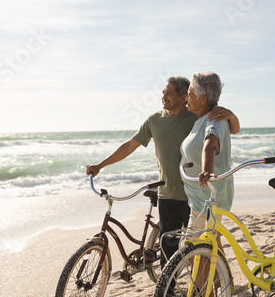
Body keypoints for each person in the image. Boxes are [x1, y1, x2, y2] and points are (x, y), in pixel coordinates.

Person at [86, 76, 239, 269]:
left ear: (184, 97)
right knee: (170, 250)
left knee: (207, 246)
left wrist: (232, 116)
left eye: (169, 92)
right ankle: (170, 290)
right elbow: (129, 146)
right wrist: (100, 165)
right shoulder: (154, 120)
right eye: (163, 92)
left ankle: (216, 285)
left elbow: (225, 132)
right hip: (169, 193)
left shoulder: (196, 116)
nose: (164, 96)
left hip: (196, 193)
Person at [180, 71, 233, 256]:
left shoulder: (214, 119)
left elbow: (210, 145)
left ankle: (203, 287)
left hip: (209, 197)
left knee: (192, 248)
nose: (186, 97)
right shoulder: (201, 119)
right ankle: (221, 285)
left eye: (190, 93)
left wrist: (206, 171)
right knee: (211, 245)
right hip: (200, 197)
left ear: (202, 99)